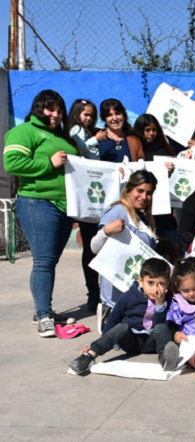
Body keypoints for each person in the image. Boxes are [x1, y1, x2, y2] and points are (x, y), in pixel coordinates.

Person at [4, 90, 80, 336]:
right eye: (50, 109)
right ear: (38, 108)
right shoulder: (24, 131)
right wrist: (50, 163)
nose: (55, 114)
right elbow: (12, 163)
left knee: (50, 261)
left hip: (65, 206)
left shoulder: (62, 136)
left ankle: (42, 308)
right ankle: (44, 316)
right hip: (38, 203)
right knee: (44, 262)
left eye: (59, 110)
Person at [67, 258, 178, 374]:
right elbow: (113, 320)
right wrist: (99, 342)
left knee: (162, 327)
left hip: (152, 343)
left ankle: (166, 360)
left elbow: (163, 325)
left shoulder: (169, 299)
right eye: (150, 283)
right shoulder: (128, 297)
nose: (155, 289)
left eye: (161, 284)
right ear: (140, 281)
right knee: (122, 327)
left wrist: (160, 304)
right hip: (131, 341)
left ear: (168, 284)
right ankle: (88, 356)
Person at [91, 170, 159, 328]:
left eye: (149, 193)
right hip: (116, 298)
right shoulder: (117, 211)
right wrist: (107, 230)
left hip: (135, 296)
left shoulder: (142, 217)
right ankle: (107, 315)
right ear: (129, 190)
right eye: (140, 191)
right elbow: (94, 247)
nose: (144, 197)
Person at [68, 99, 105, 311]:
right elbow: (80, 150)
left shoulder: (87, 130)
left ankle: (99, 291)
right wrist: (95, 140)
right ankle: (93, 291)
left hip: (97, 189)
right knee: (91, 246)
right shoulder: (76, 130)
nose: (89, 118)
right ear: (76, 114)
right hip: (89, 193)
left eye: (91, 115)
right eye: (85, 114)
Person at [132, 113, 180, 247]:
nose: (151, 133)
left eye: (154, 130)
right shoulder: (136, 148)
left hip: (162, 205)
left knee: (172, 245)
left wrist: (170, 171)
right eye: (147, 130)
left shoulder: (165, 149)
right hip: (143, 203)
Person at [97, 98, 144, 163]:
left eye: (118, 113)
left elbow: (142, 166)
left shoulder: (134, 141)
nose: (115, 118)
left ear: (124, 115)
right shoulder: (97, 140)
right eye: (109, 115)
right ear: (104, 119)